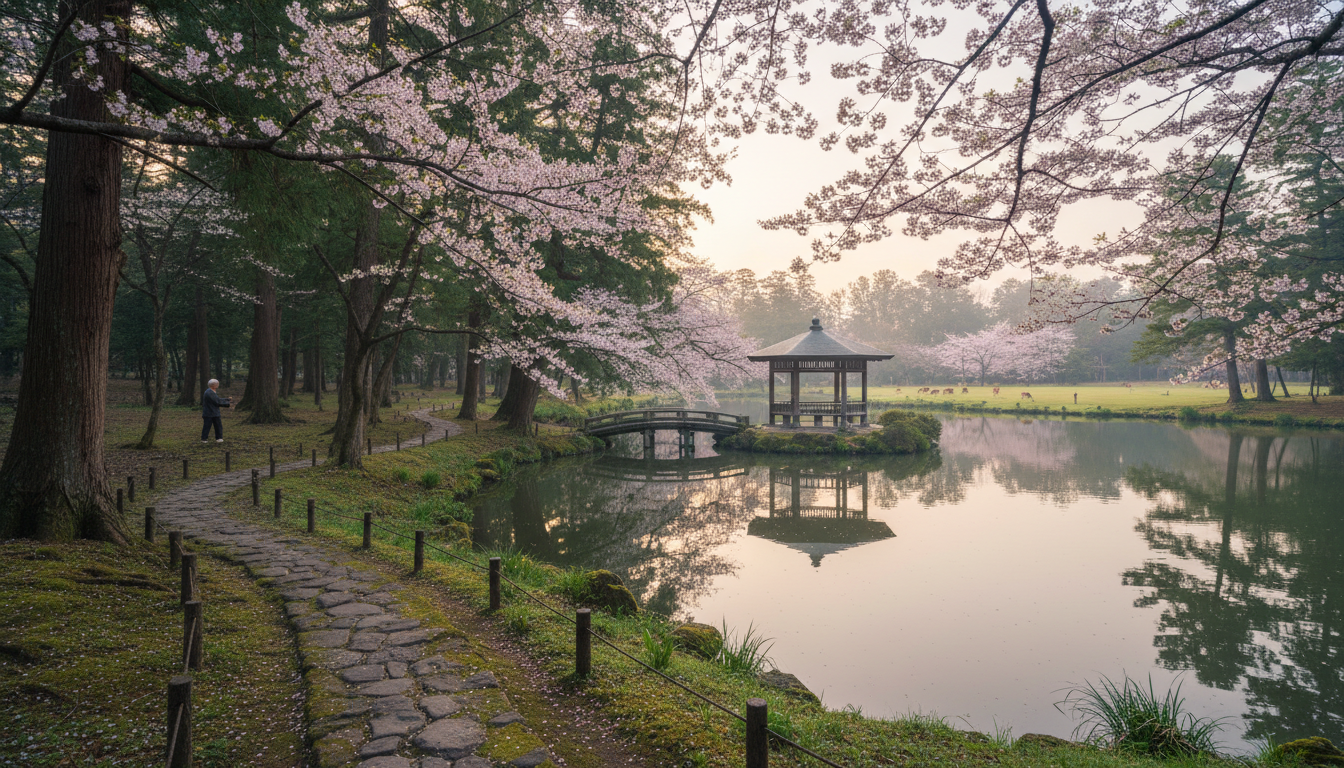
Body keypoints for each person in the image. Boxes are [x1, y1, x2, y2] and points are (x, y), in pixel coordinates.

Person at [201, 379, 230, 443]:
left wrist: (227, 400)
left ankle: (219, 438)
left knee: (218, 425)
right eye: (217, 384)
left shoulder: (211, 391)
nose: (218, 385)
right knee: (207, 426)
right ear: (214, 385)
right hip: (209, 413)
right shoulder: (209, 392)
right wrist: (227, 403)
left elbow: (217, 399)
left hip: (214, 412)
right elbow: (217, 402)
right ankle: (204, 438)